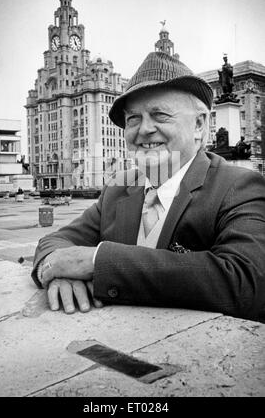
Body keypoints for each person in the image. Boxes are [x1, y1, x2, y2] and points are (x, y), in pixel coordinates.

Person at [32, 51, 265, 322]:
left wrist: (97, 263)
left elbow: (247, 282)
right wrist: (56, 274)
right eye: (133, 119)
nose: (144, 129)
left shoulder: (239, 187)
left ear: (199, 125)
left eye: (160, 115)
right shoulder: (119, 189)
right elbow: (53, 242)